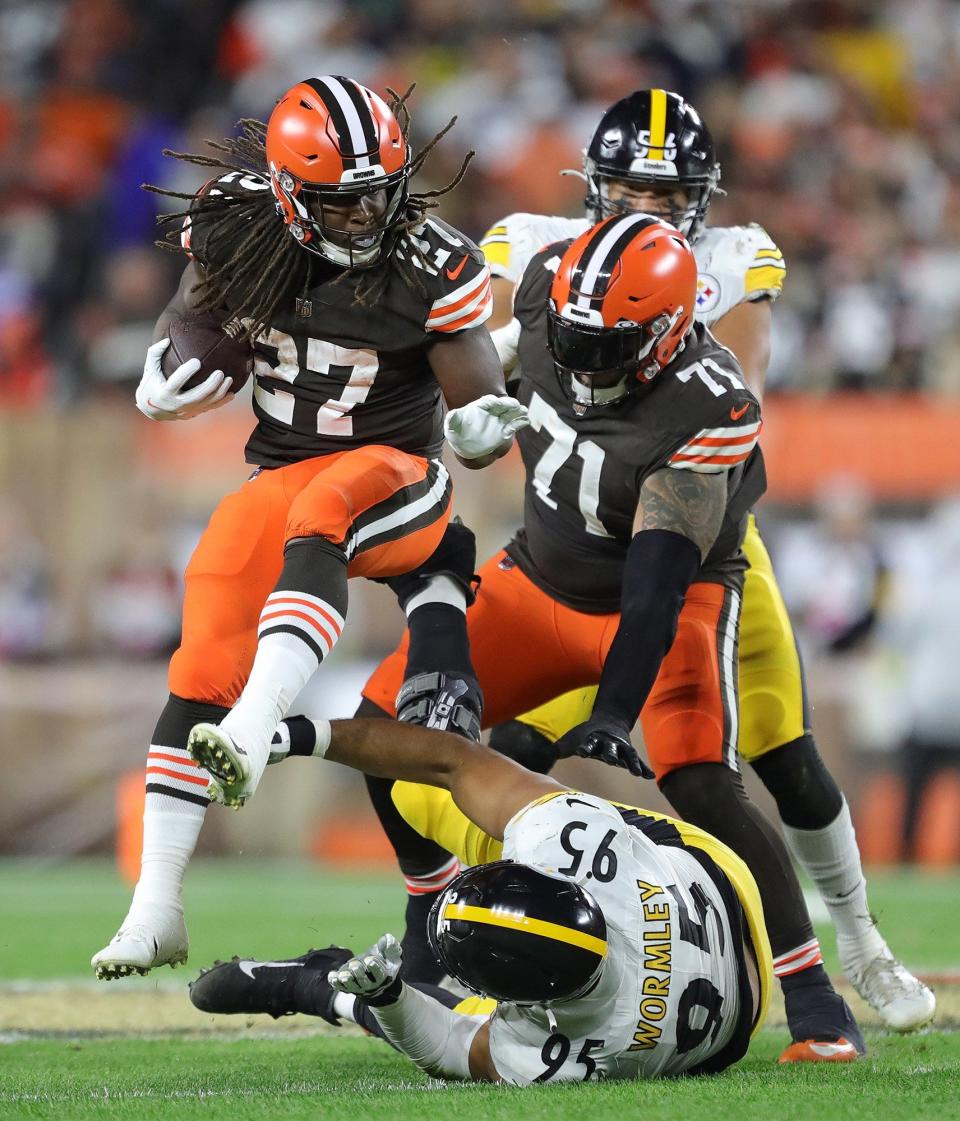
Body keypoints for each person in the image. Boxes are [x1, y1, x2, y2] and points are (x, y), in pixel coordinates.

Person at [273, 211, 864, 1062]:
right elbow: (475, 358)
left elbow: (656, 585)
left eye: (606, 346)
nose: (583, 361)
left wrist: (616, 713)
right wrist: (470, 407)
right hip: (539, 582)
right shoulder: (551, 290)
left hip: (672, 597)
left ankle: (815, 997)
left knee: (698, 779)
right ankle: (427, 920)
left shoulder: (712, 401)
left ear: (668, 334)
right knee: (389, 728)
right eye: (573, 338)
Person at [476, 88, 933, 1034]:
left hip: (703, 541)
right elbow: (485, 367)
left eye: (666, 190)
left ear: (701, 195)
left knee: (782, 751)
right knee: (506, 741)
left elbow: (743, 395)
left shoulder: (730, 260)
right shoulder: (533, 248)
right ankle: (489, 942)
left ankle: (860, 944)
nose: (645, 207)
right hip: (575, 553)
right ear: (593, 186)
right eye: (626, 188)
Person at [91, 76, 527, 981]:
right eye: (345, 198)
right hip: (282, 472)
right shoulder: (239, 223)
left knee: (322, 509)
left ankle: (254, 728)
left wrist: (483, 423)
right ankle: (156, 903)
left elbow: (478, 400)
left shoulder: (430, 260)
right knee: (210, 607)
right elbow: (193, 317)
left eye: (381, 191)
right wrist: (167, 366)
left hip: (399, 478)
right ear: (290, 192)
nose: (369, 213)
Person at [189, 715, 774, 1083]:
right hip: (716, 889)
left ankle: (312, 983)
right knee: (433, 794)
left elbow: (449, 1046)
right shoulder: (582, 839)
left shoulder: (555, 1048)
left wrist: (385, 998)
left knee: (418, 802)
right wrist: (299, 738)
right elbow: (454, 762)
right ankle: (355, 975)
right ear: (556, 881)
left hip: (721, 968)